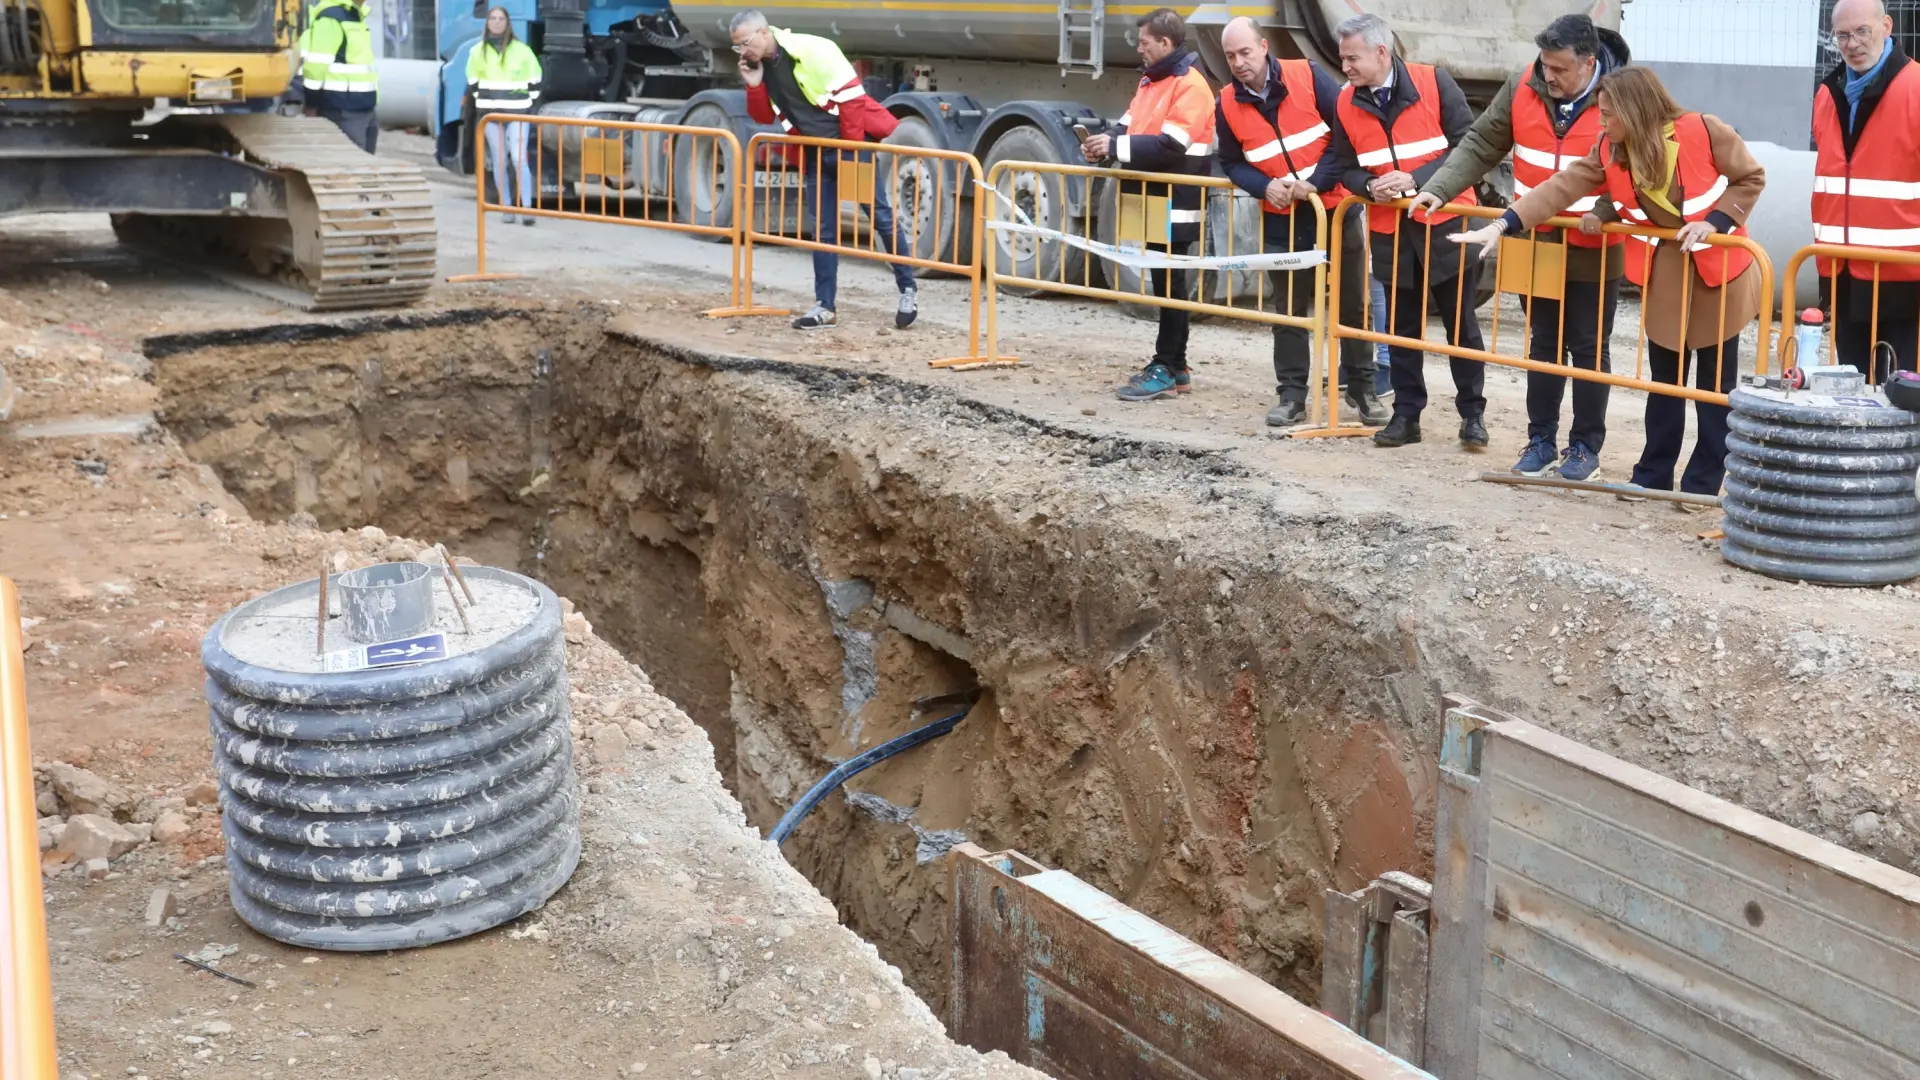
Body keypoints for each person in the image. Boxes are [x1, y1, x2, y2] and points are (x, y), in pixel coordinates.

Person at [1454, 67, 1766, 501]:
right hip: (1670, 271)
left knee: (1714, 387)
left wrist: (1713, 222)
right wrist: (1505, 224)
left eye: (1607, 115)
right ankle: (1652, 475)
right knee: (1664, 382)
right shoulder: (1609, 148)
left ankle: (1702, 485)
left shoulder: (1705, 129)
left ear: (1634, 111)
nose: (1601, 124)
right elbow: (1562, 188)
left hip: (1721, 270)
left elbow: (1751, 177)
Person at [1411, 14, 1629, 481]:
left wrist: (1608, 212)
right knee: (1543, 344)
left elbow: (1636, 164)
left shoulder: (1620, 96)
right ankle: (1541, 441)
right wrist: (1441, 187)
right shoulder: (1522, 86)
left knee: (1590, 349)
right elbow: (1482, 143)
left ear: (1588, 62)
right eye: (1544, 65)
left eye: (1559, 68)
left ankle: (1585, 448)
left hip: (1595, 241)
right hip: (1533, 238)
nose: (1547, 75)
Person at [1318, 13, 1488, 449]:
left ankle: (1472, 415)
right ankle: (1407, 416)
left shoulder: (1434, 82)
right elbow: (1344, 166)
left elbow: (1467, 146)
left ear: (1381, 52)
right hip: (1391, 230)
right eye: (1343, 59)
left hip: (1448, 224)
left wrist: (1416, 180)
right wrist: (1369, 185)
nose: (1346, 67)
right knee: (1401, 330)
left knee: (1461, 329)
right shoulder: (1345, 102)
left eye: (1352, 58)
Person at [1213, 16, 1389, 427]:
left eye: (1245, 52)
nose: (1238, 62)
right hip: (1282, 218)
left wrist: (1312, 184)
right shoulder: (1225, 101)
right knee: (1289, 312)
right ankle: (1291, 395)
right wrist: (1263, 186)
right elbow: (1231, 161)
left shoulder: (1306, 75)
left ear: (1263, 47)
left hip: (1335, 210)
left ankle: (1363, 392)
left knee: (1351, 306)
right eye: (1230, 56)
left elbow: (1346, 134)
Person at [733, 10, 920, 331]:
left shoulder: (813, 50)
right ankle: (825, 306)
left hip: (849, 148)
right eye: (737, 48)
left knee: (880, 217)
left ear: (764, 33)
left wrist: (850, 153)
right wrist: (753, 84)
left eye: (745, 43)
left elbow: (852, 103)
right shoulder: (763, 68)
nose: (743, 52)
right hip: (814, 152)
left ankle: (908, 290)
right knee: (823, 231)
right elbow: (764, 116)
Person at [1078, 8, 1215, 402]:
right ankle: (1176, 366)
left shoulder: (1191, 85)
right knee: (1166, 286)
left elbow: (1172, 144)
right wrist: (1102, 144)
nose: (1139, 48)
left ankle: (1166, 366)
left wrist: (1115, 146)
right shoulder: (1151, 82)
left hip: (1177, 202)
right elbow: (1128, 126)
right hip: (1155, 200)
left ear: (1166, 43)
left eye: (1145, 42)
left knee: (1170, 288)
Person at [1812, 0, 1920, 380]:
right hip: (1841, 271)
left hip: (1904, 276)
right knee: (1854, 390)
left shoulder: (1916, 88)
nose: (1852, 43)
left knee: (1904, 397)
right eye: (1842, 34)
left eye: (1862, 31)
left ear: (1886, 27)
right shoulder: (1828, 93)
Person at [467, 7, 544, 227]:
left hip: (517, 113)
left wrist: (526, 104)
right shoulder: (476, 52)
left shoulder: (522, 51)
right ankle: (506, 207)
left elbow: (536, 79)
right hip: (491, 117)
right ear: (487, 22)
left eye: (501, 19)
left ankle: (527, 209)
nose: (497, 22)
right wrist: (487, 102)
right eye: (493, 18)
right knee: (500, 161)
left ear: (507, 23)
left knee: (519, 159)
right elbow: (472, 82)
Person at [298, 0, 379, 153]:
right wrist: (311, 104)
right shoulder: (331, 17)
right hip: (343, 110)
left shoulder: (354, 15)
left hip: (364, 108)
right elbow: (316, 68)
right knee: (351, 166)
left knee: (365, 167)